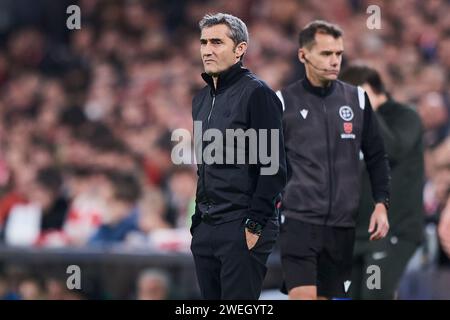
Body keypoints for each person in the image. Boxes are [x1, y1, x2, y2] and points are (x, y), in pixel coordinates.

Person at [276, 21, 390, 300]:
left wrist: (381, 204)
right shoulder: (282, 102)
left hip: (341, 225)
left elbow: (376, 155)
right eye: (326, 54)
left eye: (338, 54)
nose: (335, 61)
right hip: (299, 221)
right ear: (303, 55)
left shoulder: (357, 100)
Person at [190, 13, 287, 300]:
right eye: (204, 42)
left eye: (217, 42)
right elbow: (204, 166)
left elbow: (274, 167)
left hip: (241, 224)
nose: (207, 49)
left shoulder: (258, 94)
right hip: (207, 226)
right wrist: (198, 222)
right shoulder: (201, 99)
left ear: (240, 49)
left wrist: (255, 224)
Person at [340, 64, 425, 300]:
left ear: (373, 90)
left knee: (374, 294)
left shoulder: (405, 116)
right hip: (358, 234)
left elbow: (395, 148)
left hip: (394, 231)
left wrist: (364, 109)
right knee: (356, 296)